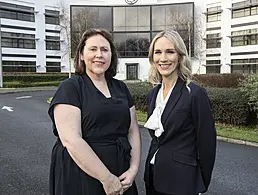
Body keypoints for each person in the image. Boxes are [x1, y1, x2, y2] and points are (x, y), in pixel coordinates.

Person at [48, 28, 141, 195]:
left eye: (105, 50)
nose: (99, 54)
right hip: (81, 175)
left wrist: (133, 169)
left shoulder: (121, 88)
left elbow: (133, 129)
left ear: (111, 56)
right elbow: (71, 140)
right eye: (93, 49)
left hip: (121, 174)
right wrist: (106, 178)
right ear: (82, 55)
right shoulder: (70, 88)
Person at [143, 29, 217, 195]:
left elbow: (207, 143)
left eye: (170, 52)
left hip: (182, 182)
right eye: (158, 52)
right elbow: (158, 140)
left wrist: (200, 182)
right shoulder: (153, 94)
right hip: (153, 177)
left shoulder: (195, 93)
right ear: (152, 57)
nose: (163, 58)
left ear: (180, 56)